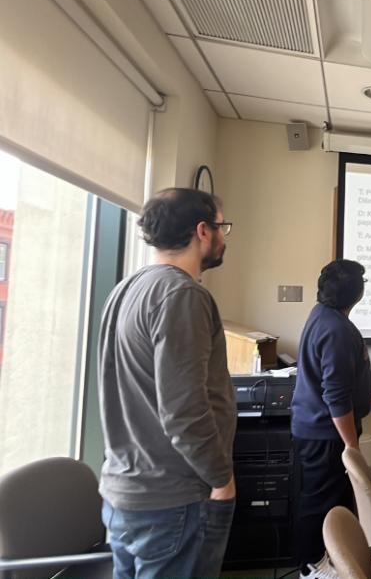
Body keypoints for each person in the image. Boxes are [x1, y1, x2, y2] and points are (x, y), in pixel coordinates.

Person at [98, 188, 236, 579]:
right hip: (173, 500)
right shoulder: (182, 295)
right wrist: (221, 479)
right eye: (222, 226)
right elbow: (184, 411)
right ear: (202, 231)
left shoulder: (126, 289)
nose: (225, 236)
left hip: (127, 491)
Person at [292, 259, 371, 579]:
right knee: (322, 505)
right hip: (327, 436)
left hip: (319, 431)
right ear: (356, 294)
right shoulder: (336, 330)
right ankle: (313, 567)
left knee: (326, 500)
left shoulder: (323, 316)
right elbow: (336, 396)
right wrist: (351, 446)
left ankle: (323, 563)